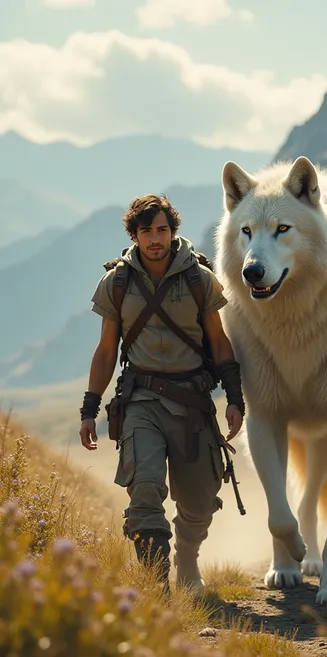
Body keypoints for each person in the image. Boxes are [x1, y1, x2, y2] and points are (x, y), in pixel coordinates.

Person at [78, 194, 244, 592]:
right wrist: (89, 408)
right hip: (141, 401)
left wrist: (235, 399)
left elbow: (219, 342)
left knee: (200, 502)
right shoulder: (117, 282)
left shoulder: (198, 278)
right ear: (133, 235)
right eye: (147, 231)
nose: (156, 238)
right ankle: (157, 590)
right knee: (146, 489)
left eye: (163, 230)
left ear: (173, 232)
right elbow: (105, 351)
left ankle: (187, 554)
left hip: (192, 403)